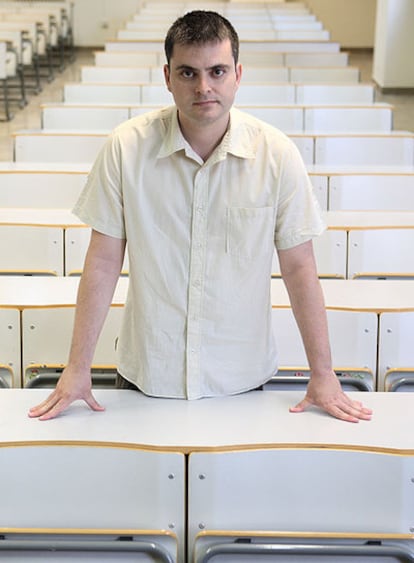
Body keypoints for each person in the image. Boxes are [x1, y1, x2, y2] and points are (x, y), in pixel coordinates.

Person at [29, 10, 372, 423]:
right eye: (188, 73)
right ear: (167, 77)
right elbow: (102, 261)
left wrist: (323, 373)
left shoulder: (277, 155)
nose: (204, 87)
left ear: (238, 75)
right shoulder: (125, 148)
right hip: (149, 372)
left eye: (217, 71)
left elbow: (300, 267)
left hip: (240, 376)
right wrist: (77, 367)